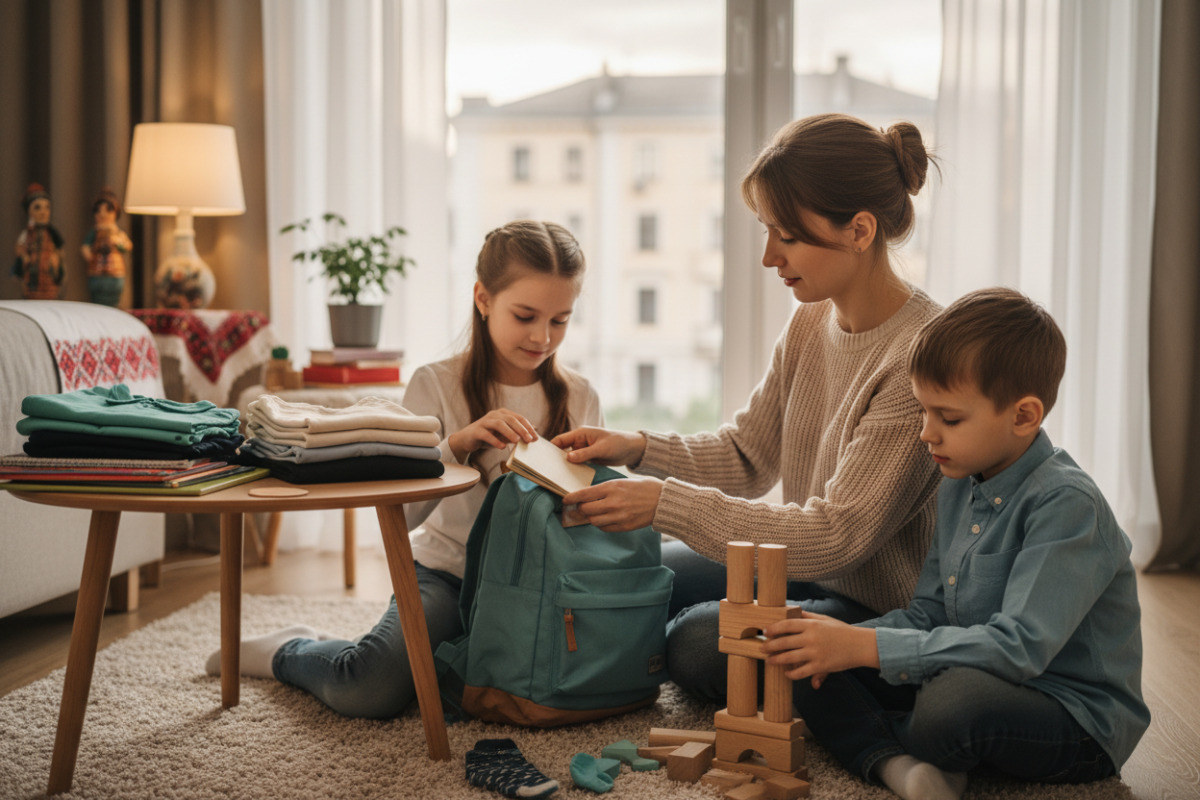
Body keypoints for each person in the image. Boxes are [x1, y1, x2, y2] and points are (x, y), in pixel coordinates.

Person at [554, 113, 944, 703]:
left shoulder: (919, 354)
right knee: (640, 572)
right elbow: (749, 456)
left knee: (693, 641)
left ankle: (864, 707)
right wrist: (637, 448)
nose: (768, 257)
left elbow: (838, 535)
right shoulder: (812, 318)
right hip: (809, 566)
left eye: (786, 236)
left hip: (877, 610)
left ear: (860, 230)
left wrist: (664, 502)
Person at [205, 220, 602, 721]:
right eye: (525, 316)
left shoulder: (581, 396)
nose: (543, 337)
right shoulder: (435, 385)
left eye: (560, 320)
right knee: (368, 688)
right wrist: (455, 447)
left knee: (560, 682)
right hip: (447, 576)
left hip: (543, 584)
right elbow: (403, 518)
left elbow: (592, 526)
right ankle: (287, 650)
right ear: (483, 299)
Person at [762, 288, 1149, 800]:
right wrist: (840, 640)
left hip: (1071, 716)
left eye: (949, 418)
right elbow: (929, 614)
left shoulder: (1067, 505)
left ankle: (868, 730)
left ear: (1023, 416)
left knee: (950, 707)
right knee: (801, 655)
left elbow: (1020, 648)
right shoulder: (957, 485)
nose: (927, 434)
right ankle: (898, 766)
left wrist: (864, 647)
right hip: (964, 666)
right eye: (924, 412)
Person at [12, 183, 64, 299]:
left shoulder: (51, 233)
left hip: (49, 274)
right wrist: (24, 256)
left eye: (47, 207)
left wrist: (56, 258)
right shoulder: (28, 233)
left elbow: (60, 248)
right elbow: (19, 247)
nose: (43, 212)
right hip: (32, 272)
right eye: (37, 207)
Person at [81, 187, 132, 306]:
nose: (103, 214)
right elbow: (85, 246)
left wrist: (117, 241)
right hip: (96, 272)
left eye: (108, 210)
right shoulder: (95, 232)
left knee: (113, 300)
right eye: (99, 211)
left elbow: (127, 246)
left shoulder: (117, 233)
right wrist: (91, 258)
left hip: (115, 272)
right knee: (97, 300)